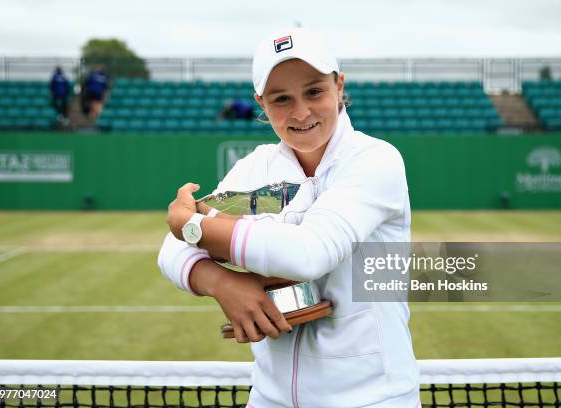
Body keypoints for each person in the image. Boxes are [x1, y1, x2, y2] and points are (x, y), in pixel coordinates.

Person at [158, 28, 419, 407]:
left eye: (314, 91)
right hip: (270, 398)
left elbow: (308, 254)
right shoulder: (256, 166)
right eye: (281, 99)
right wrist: (220, 282)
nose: (301, 112)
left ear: (339, 84)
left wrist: (193, 227)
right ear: (261, 103)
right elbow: (170, 249)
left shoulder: (375, 159)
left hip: (372, 399)